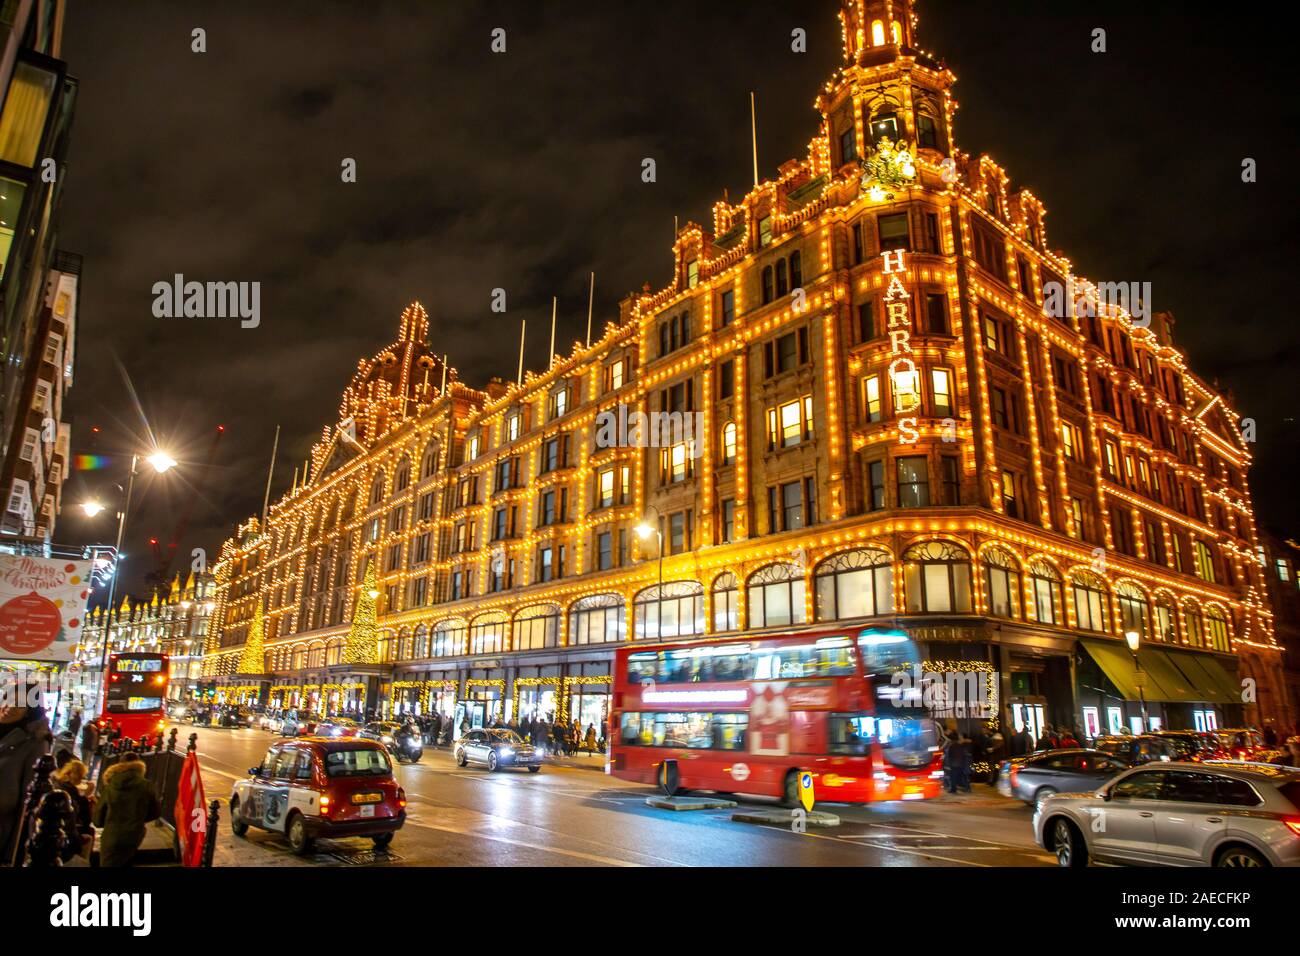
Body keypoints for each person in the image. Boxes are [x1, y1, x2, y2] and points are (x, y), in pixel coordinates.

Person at [0, 684, 53, 867]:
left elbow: (28, 801)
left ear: (30, 710)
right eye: (8, 699)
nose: (10, 707)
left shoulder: (35, 743)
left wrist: (12, 854)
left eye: (19, 704)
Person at [92, 751, 160, 867]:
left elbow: (98, 819)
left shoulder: (111, 785)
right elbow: (155, 812)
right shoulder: (146, 786)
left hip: (112, 834)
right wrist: (138, 820)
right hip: (133, 834)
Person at [51, 758, 95, 861]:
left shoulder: (58, 784)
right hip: (63, 837)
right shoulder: (69, 792)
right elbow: (85, 819)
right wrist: (85, 797)